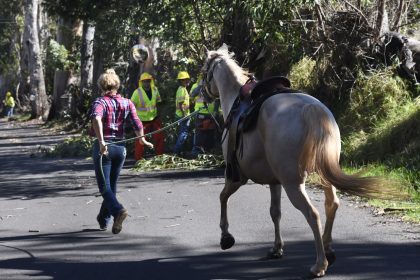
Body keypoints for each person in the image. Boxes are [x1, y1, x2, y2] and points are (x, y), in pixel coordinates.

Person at [90, 69, 153, 234]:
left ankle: (118, 211)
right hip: (121, 149)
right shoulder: (127, 102)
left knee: (104, 187)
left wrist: (102, 141)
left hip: (105, 148)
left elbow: (96, 118)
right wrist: (142, 139)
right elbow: (137, 122)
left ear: (101, 86)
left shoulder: (100, 102)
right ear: (117, 85)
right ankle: (104, 219)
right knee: (112, 185)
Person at [131, 72, 164, 160]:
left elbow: (158, 103)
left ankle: (160, 157)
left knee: (159, 137)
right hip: (142, 121)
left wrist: (159, 116)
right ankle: (138, 160)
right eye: (144, 81)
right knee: (140, 140)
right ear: (141, 82)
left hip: (154, 118)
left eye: (148, 81)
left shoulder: (155, 90)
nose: (146, 83)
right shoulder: (137, 92)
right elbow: (131, 106)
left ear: (151, 81)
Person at [190, 79, 219, 157]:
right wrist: (200, 86)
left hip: (211, 113)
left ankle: (208, 153)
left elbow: (217, 99)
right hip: (200, 113)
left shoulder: (213, 85)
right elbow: (192, 95)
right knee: (199, 134)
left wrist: (215, 111)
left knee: (210, 134)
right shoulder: (196, 85)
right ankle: (196, 153)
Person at [173, 71, 191, 155]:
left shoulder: (183, 89)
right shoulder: (181, 90)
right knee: (183, 134)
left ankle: (180, 151)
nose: (187, 81)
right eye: (185, 80)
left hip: (184, 114)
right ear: (181, 81)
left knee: (182, 133)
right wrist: (184, 115)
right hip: (182, 115)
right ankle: (176, 151)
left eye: (187, 79)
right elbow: (180, 104)